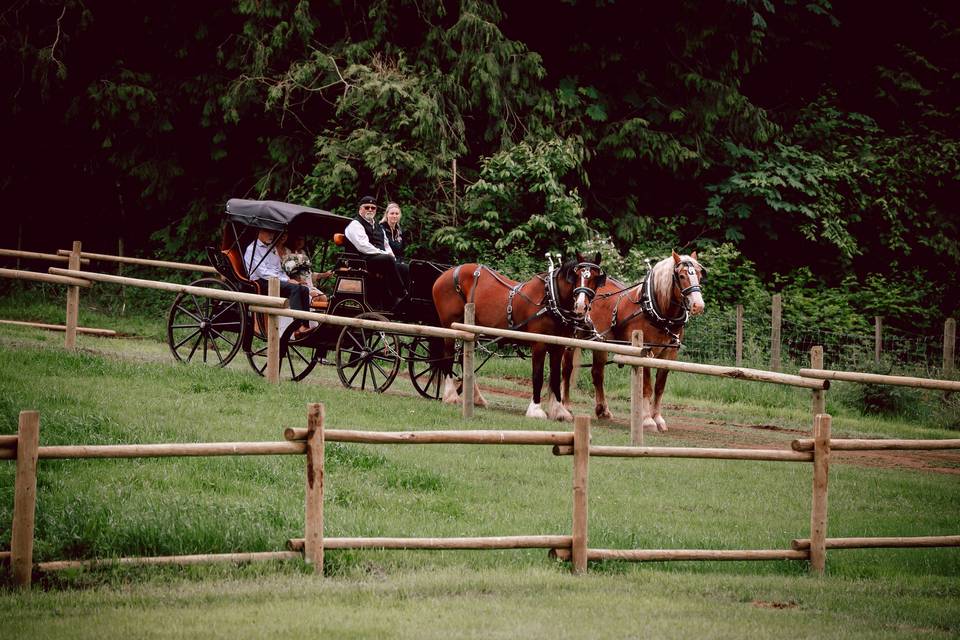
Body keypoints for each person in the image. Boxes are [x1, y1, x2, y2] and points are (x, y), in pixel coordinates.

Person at [344, 195, 407, 308]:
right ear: (360, 209)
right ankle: (400, 293)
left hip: (376, 259)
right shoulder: (355, 224)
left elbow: (386, 244)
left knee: (404, 267)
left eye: (373, 208)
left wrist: (392, 256)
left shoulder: (377, 226)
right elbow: (363, 246)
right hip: (361, 260)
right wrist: (385, 254)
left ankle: (398, 300)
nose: (370, 210)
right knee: (388, 259)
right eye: (367, 207)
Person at [243, 228, 311, 334]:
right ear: (260, 232)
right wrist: (287, 281)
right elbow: (263, 272)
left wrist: (289, 279)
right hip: (261, 282)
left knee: (304, 289)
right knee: (295, 289)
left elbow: (278, 269)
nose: (271, 235)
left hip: (274, 280)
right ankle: (296, 327)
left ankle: (305, 325)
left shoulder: (271, 248)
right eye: (268, 232)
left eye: (273, 232)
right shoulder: (252, 249)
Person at [379, 201, 410, 288]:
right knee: (405, 269)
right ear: (387, 214)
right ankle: (402, 294)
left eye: (397, 213)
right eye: (392, 213)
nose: (394, 216)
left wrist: (402, 261)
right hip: (387, 261)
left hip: (399, 261)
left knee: (414, 267)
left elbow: (402, 251)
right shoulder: (381, 229)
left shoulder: (400, 231)